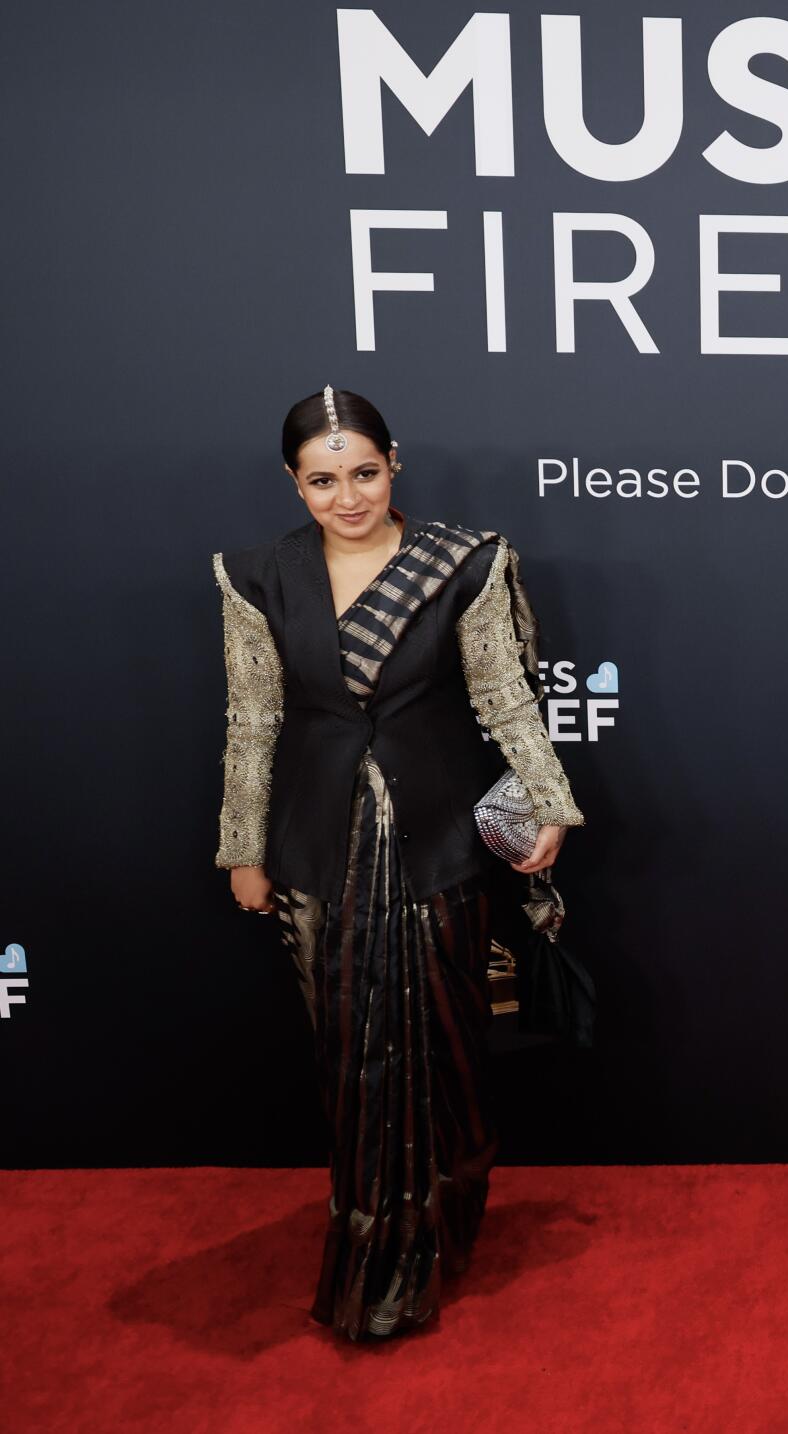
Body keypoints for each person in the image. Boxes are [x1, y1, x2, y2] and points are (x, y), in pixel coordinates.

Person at [212, 387, 585, 1340]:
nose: (349, 498)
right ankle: (372, 1256)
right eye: (323, 480)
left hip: (438, 844)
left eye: (365, 473)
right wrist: (242, 849)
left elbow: (503, 694)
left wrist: (547, 798)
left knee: (444, 1053)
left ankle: (442, 1226)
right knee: (354, 1064)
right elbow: (253, 723)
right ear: (293, 484)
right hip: (316, 848)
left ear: (395, 465)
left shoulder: (463, 564)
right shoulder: (258, 579)